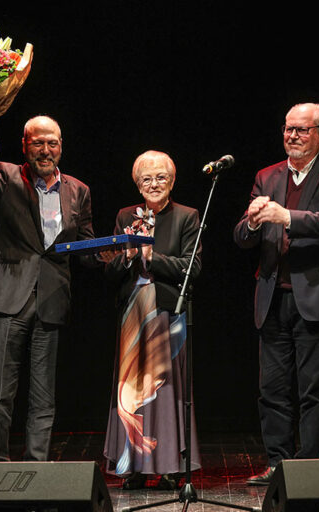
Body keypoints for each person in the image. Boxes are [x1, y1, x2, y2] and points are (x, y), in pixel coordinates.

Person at [234, 103, 319, 485]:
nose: (292, 136)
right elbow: (241, 237)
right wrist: (253, 221)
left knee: (312, 389)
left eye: (302, 130)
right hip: (272, 295)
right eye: (288, 129)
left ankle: (306, 467)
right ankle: (277, 463)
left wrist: (284, 216)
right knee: (271, 388)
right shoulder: (267, 175)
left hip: (317, 295)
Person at [0, 116, 97, 461]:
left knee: (43, 395)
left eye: (52, 143)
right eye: (38, 143)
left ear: (61, 146)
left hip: (51, 300)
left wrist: (122, 251)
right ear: (25, 146)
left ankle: (36, 468)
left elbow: (87, 247)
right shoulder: (7, 175)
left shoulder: (78, 190)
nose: (45, 150)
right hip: (9, 298)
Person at [102, 151, 202, 490]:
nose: (154, 184)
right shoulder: (124, 215)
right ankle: (133, 467)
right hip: (133, 313)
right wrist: (129, 256)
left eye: (161, 177)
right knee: (131, 393)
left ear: (172, 182)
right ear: (137, 184)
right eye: (147, 179)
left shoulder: (187, 216)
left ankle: (171, 465)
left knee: (165, 393)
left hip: (166, 315)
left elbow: (192, 268)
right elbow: (110, 270)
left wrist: (151, 256)